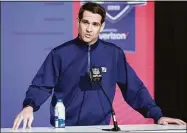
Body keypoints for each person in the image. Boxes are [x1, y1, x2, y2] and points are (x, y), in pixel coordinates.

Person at [13, 2, 186, 130]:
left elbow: (134, 89)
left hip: (100, 128)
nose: (89, 29)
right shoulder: (60, 53)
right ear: (78, 22)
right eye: (85, 22)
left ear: (101, 26)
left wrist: (158, 115)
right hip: (65, 128)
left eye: (95, 24)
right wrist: (29, 106)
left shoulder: (113, 54)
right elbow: (41, 85)